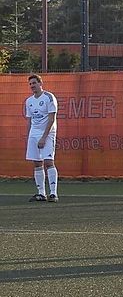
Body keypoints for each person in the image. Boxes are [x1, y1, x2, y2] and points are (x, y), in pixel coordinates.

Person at [24, 74, 59, 202]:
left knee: (49, 161)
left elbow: (51, 118)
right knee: (37, 163)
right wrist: (29, 137)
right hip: (34, 134)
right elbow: (29, 120)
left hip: (48, 133)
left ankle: (53, 193)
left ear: (40, 83)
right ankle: (41, 193)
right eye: (30, 84)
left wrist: (44, 137)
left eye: (34, 83)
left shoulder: (49, 97)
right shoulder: (29, 101)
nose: (32, 86)